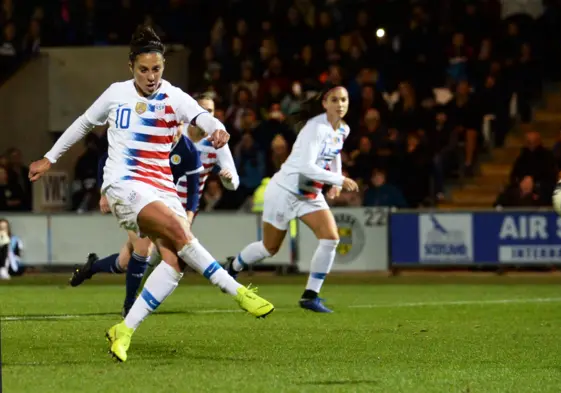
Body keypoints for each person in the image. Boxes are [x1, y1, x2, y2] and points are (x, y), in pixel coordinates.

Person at [28, 26, 274, 363]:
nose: (151, 76)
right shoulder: (116, 94)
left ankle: (124, 330)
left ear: (163, 67)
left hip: (162, 187)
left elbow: (202, 116)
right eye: (143, 69)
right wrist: (50, 157)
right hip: (124, 184)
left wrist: (218, 130)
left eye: (156, 69)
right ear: (131, 67)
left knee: (174, 262)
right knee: (178, 234)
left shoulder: (174, 96)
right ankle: (237, 290)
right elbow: (84, 124)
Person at [226, 85, 359, 313]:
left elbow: (334, 154)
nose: (340, 104)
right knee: (269, 248)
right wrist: (339, 179)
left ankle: (310, 295)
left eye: (344, 100)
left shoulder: (343, 129)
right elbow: (307, 167)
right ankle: (233, 266)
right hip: (284, 191)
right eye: (334, 100)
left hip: (309, 194)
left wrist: (335, 183)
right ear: (324, 103)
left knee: (330, 238)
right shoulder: (315, 128)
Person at [68, 123, 203, 319]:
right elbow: (106, 158)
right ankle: (129, 306)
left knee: (124, 262)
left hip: (158, 203)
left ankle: (92, 266)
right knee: (143, 249)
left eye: (179, 124)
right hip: (129, 195)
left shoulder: (188, 151)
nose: (175, 129)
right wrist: (103, 191)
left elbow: (193, 190)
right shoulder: (146, 138)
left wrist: (189, 216)